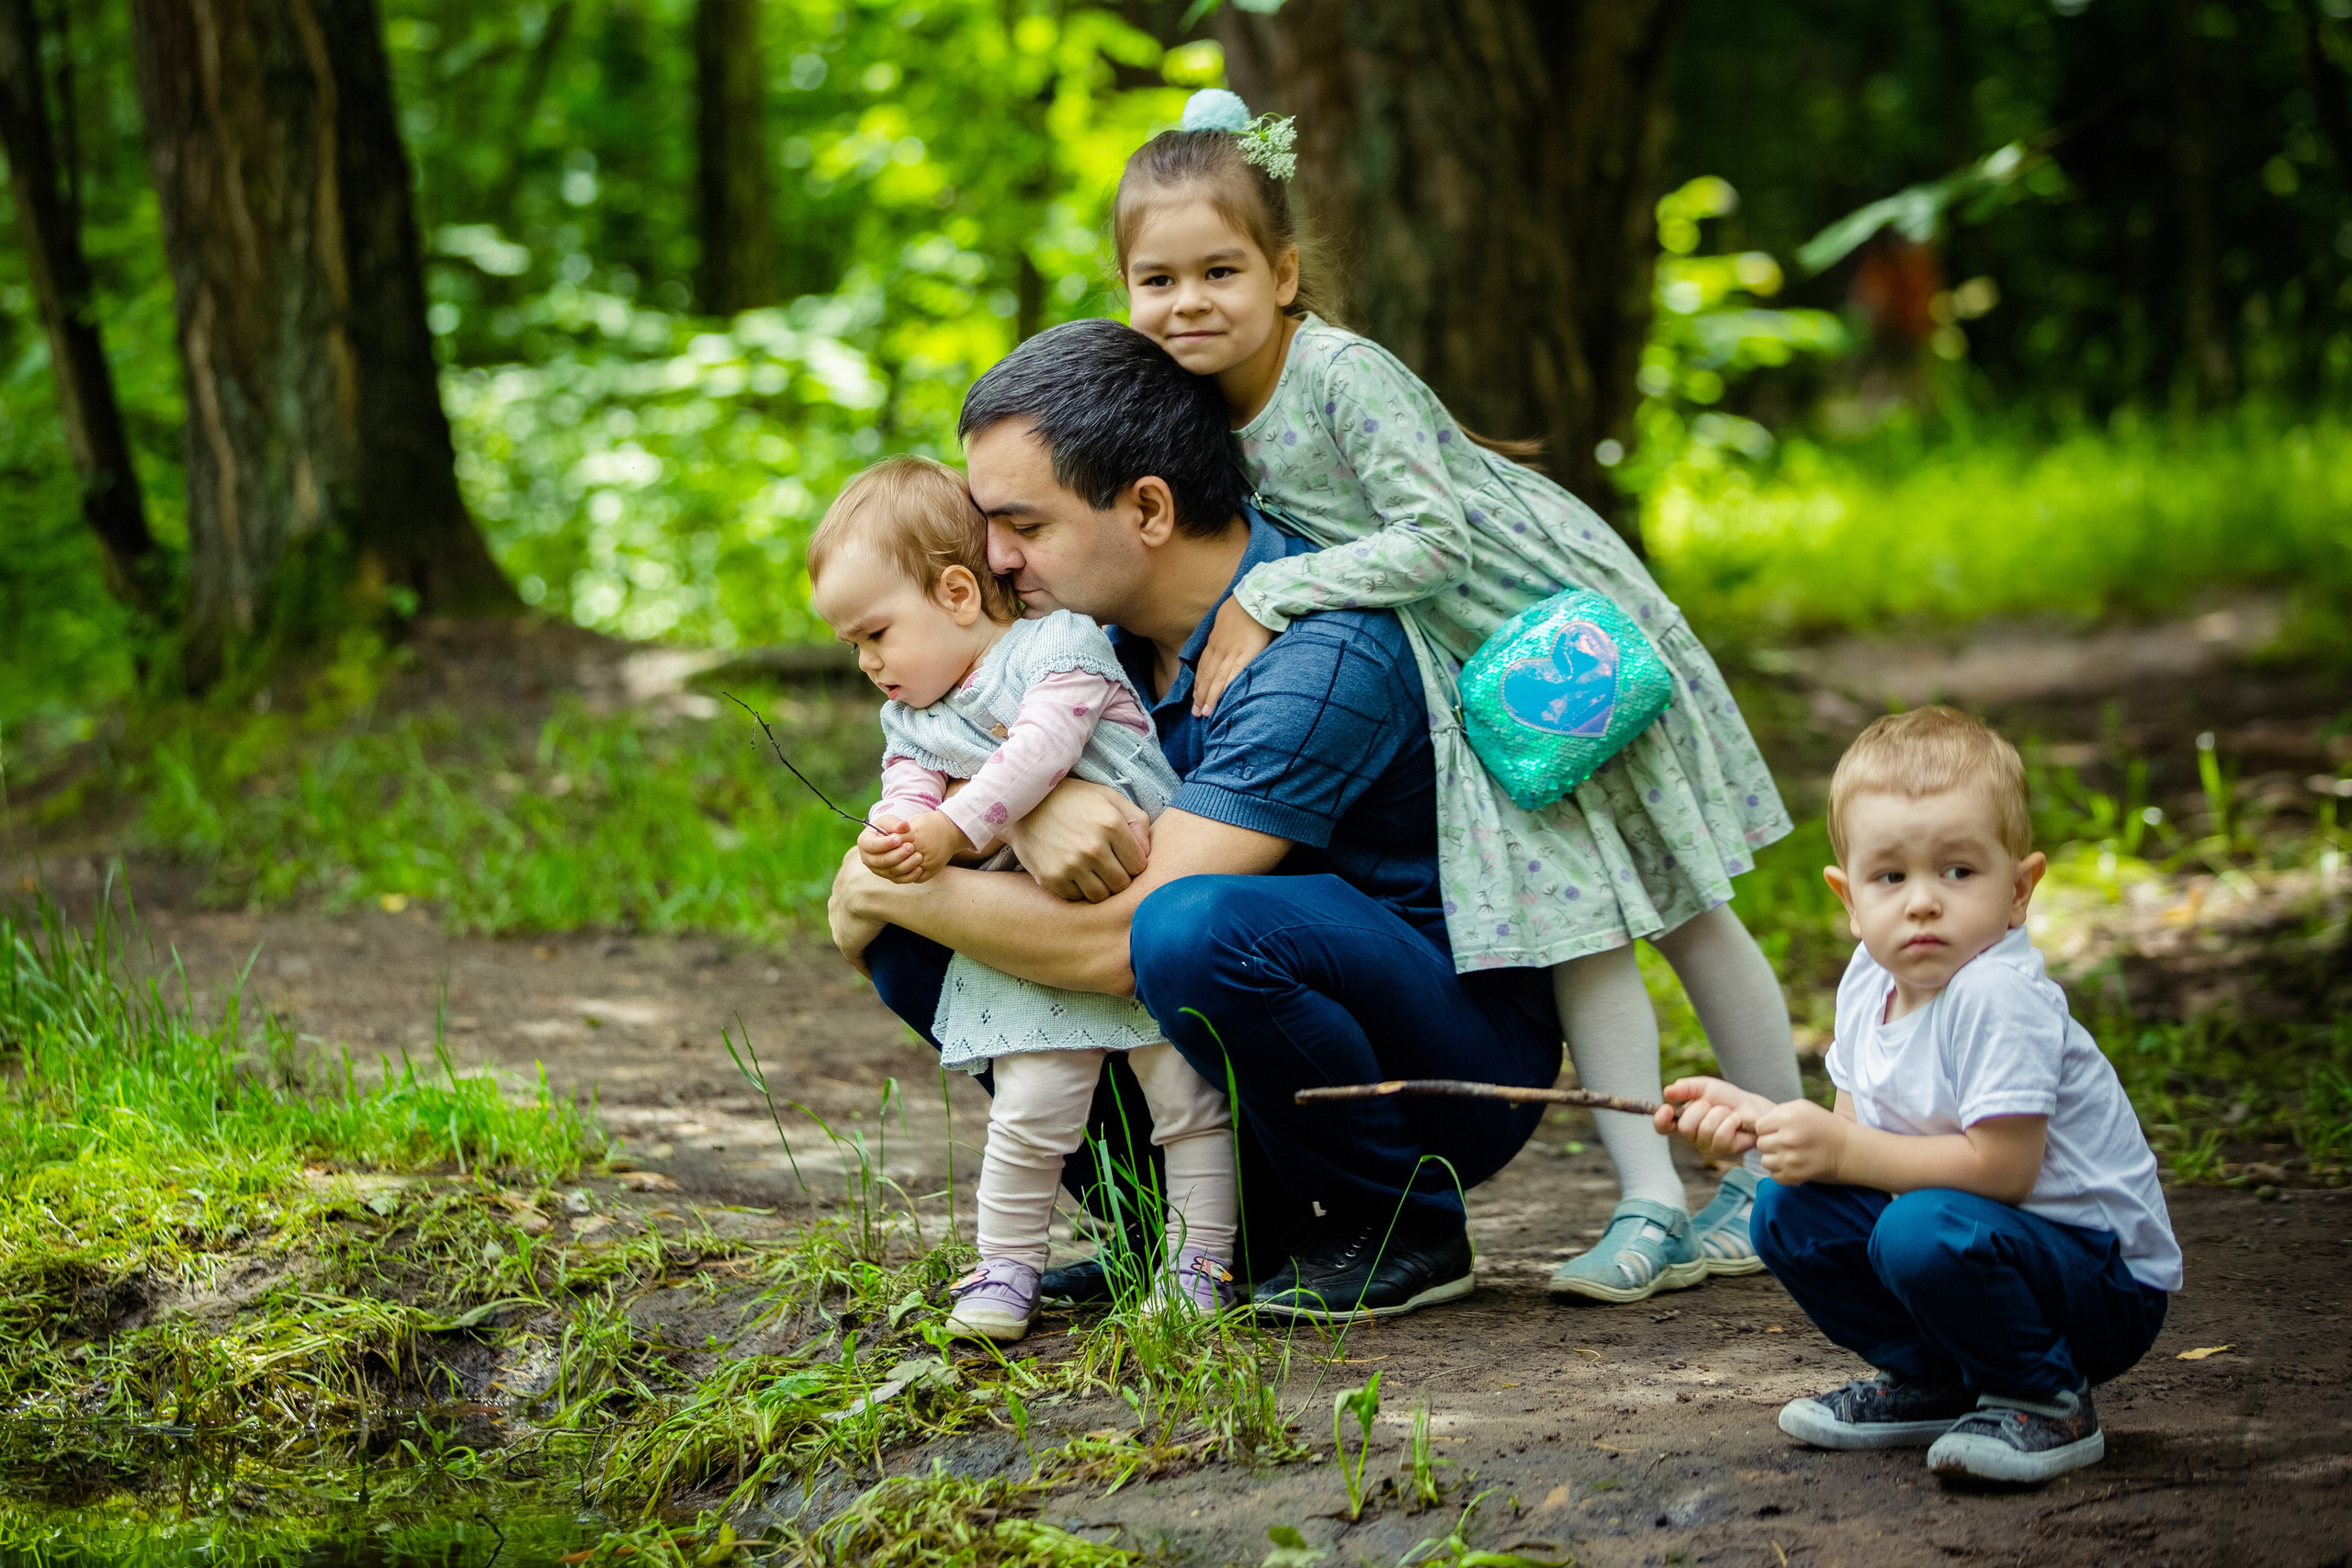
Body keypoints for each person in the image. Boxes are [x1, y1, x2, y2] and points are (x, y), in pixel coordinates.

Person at [1102, 89, 1804, 1303]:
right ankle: (1647, 1200)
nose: (1187, 302)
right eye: (1155, 280)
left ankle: (1789, 1171)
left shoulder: (1340, 372)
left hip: (1551, 644)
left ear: (1285, 270)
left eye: (1220, 269)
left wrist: (1282, 595)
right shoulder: (1195, 401)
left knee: (1685, 904)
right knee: (1568, 914)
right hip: (1457, 686)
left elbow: (1429, 540)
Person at [828, 316, 1565, 1322]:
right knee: (930, 947)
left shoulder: (1319, 657)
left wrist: (894, 876)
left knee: (1184, 931)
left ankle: (1399, 1220)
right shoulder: (1085, 639)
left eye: (1024, 526)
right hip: (1247, 1028)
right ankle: (1181, 1232)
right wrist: (1029, 809)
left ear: (1148, 508)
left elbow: (1121, 947)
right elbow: (881, 882)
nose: (992, 560)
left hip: (1434, 1059)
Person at [1654, 707, 2179, 1483]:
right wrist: (1764, 1125)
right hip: (1977, 1247)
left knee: (1917, 1225)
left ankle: (2046, 1395)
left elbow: (2004, 1171)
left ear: (2019, 889)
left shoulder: (1998, 995)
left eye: (1958, 871)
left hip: (2099, 1281)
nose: (1923, 901)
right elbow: (1853, 1145)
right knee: (1786, 1210)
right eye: (1891, 876)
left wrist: (1840, 1148)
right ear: (1850, 898)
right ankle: (1938, 1380)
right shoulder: (1869, 982)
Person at [807, 455, 1238, 1342]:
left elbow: (1038, 749)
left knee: (1186, 1102)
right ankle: (1006, 1266)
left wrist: (955, 831)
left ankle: (1200, 1264)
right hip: (1036, 931)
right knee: (1031, 1103)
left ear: (959, 593)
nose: (866, 661)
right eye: (852, 644)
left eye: (877, 632)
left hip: (1141, 905)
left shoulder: (1060, 646)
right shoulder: (914, 713)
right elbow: (906, 782)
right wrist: (899, 827)